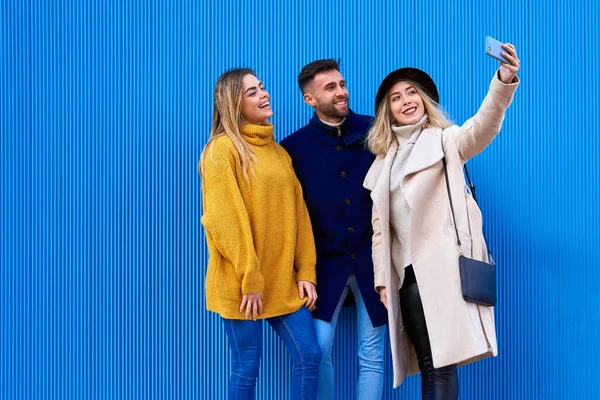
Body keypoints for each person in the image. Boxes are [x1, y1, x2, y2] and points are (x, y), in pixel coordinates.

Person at [363, 43, 520, 399]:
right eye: (396, 97)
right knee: (431, 363)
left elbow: (483, 126)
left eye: (412, 93)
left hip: (443, 273)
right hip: (406, 281)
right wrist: (381, 282)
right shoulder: (381, 164)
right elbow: (378, 230)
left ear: (424, 101)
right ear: (387, 111)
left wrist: (503, 80)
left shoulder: (447, 140)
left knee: (439, 366)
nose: (406, 100)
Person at [199, 68, 322, 400]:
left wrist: (306, 270)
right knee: (247, 366)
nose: (264, 94)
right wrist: (250, 277)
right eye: (252, 92)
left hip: (281, 281)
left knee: (309, 357)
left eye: (262, 88)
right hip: (242, 285)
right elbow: (223, 221)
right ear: (234, 104)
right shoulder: (221, 151)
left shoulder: (279, 153)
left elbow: (299, 216)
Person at [281, 59, 387, 400]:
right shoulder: (292, 148)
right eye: (330, 87)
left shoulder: (376, 131)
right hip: (324, 265)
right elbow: (290, 216)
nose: (341, 92)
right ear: (309, 99)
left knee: (372, 356)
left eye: (342, 84)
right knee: (319, 350)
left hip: (375, 263)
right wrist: (300, 270)